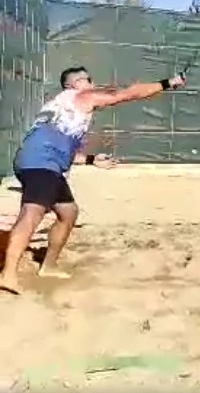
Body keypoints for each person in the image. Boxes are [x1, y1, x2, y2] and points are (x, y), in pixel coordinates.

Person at [0, 66, 186, 295]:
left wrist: (90, 160)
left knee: (68, 213)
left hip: (44, 162)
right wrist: (168, 83)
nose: (92, 83)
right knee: (32, 213)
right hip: (42, 162)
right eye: (88, 79)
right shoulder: (79, 96)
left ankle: (48, 266)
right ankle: (8, 274)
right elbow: (128, 94)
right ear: (74, 84)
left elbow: (64, 150)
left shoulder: (62, 107)